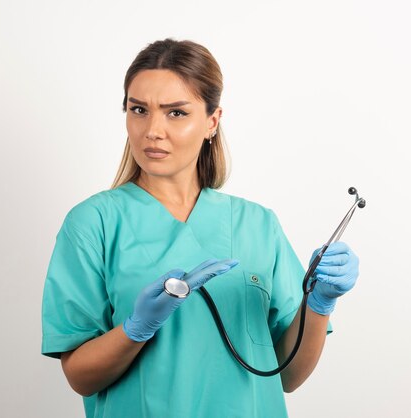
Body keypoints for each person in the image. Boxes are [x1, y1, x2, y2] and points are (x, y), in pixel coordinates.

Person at [41, 38, 359, 418]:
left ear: (212, 121)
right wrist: (136, 328)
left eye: (176, 113)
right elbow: (80, 376)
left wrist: (319, 303)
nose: (152, 130)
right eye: (138, 109)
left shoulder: (258, 225)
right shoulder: (93, 224)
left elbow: (286, 374)